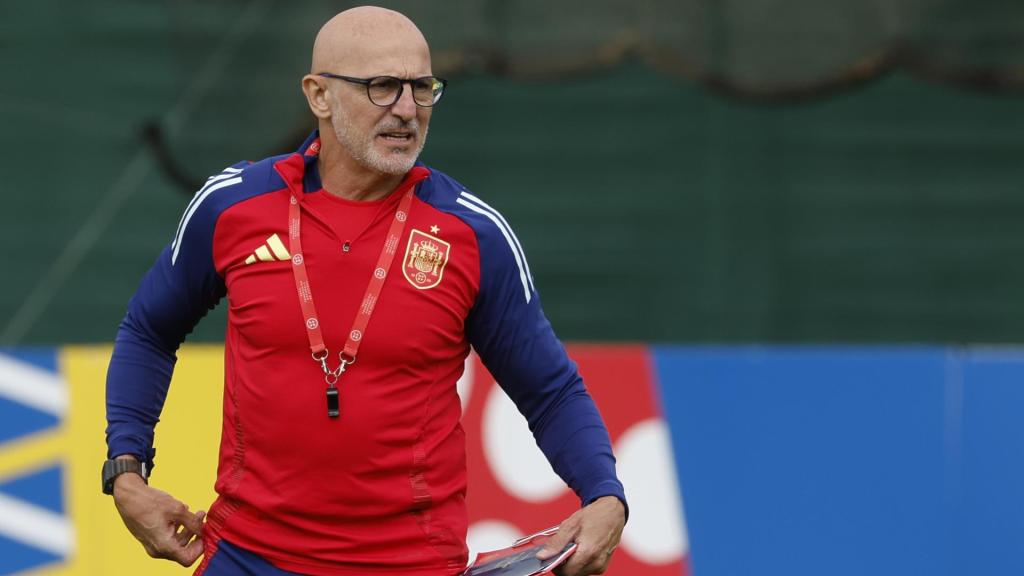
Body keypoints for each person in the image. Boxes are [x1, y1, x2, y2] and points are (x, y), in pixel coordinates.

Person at [103, 6, 626, 576]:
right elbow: (149, 330)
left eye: (422, 88)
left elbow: (550, 389)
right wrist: (127, 471)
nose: (407, 109)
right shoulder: (233, 205)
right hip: (247, 558)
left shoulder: (473, 235)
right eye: (382, 87)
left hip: (411, 566)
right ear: (318, 95)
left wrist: (604, 495)